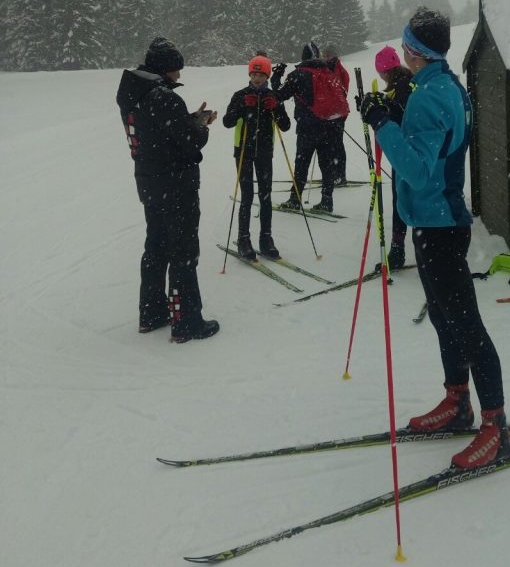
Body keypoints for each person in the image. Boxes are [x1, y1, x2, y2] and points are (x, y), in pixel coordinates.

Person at [358, 8, 510, 470]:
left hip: (438, 222)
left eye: (405, 45)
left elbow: (419, 170)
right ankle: (457, 402)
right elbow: (433, 148)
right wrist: (390, 113)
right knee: (447, 321)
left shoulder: (431, 96)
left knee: (466, 327)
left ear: (413, 51)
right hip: (437, 221)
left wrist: (382, 123)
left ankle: (496, 428)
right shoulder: (442, 87)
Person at [116, 36, 220, 342]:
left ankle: (152, 312)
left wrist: (190, 120)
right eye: (176, 70)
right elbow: (190, 141)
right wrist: (198, 127)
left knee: (157, 246)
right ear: (164, 69)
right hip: (176, 184)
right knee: (183, 251)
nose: (179, 76)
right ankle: (186, 321)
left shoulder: (134, 92)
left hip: (150, 181)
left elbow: (158, 131)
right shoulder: (163, 97)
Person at [222, 54, 291, 260]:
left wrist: (276, 107)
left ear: (268, 75)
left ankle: (266, 238)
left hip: (264, 151)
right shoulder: (240, 95)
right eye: (254, 73)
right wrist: (243, 107)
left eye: (261, 74)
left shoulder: (273, 97)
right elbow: (227, 122)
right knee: (247, 195)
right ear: (249, 74)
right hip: (243, 150)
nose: (257, 78)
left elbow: (285, 126)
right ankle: (244, 239)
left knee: (266, 195)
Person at [272, 41, 349, 214]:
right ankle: (326, 201)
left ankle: (295, 199)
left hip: (308, 128)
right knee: (326, 164)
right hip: (329, 125)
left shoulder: (298, 75)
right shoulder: (327, 71)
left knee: (302, 164)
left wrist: (276, 77)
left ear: (303, 57)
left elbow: (278, 95)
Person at [373, 44, 414, 270]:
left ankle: (399, 250)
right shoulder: (407, 82)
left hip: (408, 154)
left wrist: (381, 113)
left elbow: (399, 120)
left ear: (384, 70)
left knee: (402, 199)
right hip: (414, 153)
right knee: (405, 198)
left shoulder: (402, 87)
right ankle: (402, 249)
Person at [322, 43, 351, 186]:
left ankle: (339, 175)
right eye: (325, 55)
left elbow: (345, 89)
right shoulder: (324, 68)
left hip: (338, 112)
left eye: (329, 54)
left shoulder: (339, 70)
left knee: (336, 144)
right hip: (328, 112)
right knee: (329, 144)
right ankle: (333, 174)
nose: (326, 57)